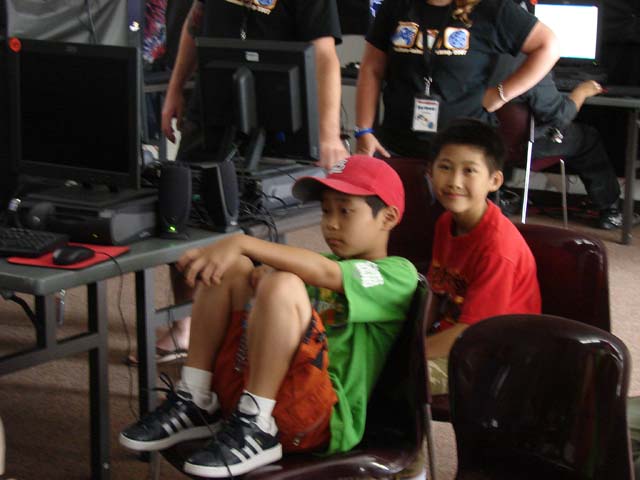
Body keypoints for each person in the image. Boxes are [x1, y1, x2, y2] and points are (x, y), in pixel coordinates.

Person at [119, 155, 419, 477]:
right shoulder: (324, 264)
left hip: (316, 417)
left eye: (345, 211)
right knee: (233, 269)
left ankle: (257, 424)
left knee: (282, 282)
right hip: (263, 391)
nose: (331, 223)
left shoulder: (398, 274)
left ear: (388, 217)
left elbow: (324, 272)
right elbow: (304, 275)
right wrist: (257, 275)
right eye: (325, 211)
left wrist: (243, 244)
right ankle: (196, 396)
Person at [150, 0, 349, 360]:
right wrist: (175, 88)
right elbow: (195, 24)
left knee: (255, 223)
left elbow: (324, 56)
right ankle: (184, 326)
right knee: (180, 212)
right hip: (211, 108)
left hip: (276, 115)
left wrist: (329, 132)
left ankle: (249, 337)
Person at [355, 0, 559, 159]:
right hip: (397, 145)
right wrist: (364, 129)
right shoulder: (395, 6)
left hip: (466, 151)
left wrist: (500, 95)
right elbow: (371, 68)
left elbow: (548, 46)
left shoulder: (491, 8)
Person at [425, 119, 541, 395]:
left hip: (494, 356)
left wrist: (413, 351)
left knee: (397, 377)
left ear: (494, 181)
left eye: (469, 171)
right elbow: (435, 292)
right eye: (445, 167)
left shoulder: (498, 248)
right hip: (454, 334)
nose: (454, 182)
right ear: (430, 172)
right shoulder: (446, 222)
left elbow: (473, 332)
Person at [519, 77, 623, 229]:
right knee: (588, 139)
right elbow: (558, 118)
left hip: (491, 142)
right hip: (526, 145)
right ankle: (611, 210)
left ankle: (500, 196)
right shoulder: (533, 70)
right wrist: (581, 92)